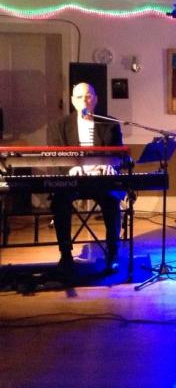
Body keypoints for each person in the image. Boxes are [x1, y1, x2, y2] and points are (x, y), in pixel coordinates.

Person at [48, 82, 124, 275]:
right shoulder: (59, 125)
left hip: (101, 179)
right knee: (60, 201)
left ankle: (113, 253)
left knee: (112, 200)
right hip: (73, 179)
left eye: (88, 96)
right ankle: (66, 254)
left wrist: (110, 164)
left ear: (95, 99)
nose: (84, 100)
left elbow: (119, 155)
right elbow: (55, 156)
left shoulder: (110, 123)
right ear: (73, 101)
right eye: (80, 97)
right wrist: (71, 169)